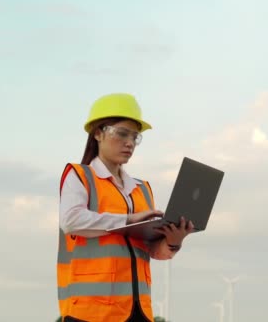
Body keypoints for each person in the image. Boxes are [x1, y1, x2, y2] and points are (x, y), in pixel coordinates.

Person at [56, 93, 194, 321]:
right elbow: (71, 221)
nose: (129, 142)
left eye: (135, 137)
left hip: (138, 311)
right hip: (92, 312)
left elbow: (149, 250)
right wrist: (129, 220)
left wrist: (173, 241)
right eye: (122, 134)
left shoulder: (142, 188)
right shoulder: (80, 176)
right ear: (98, 133)